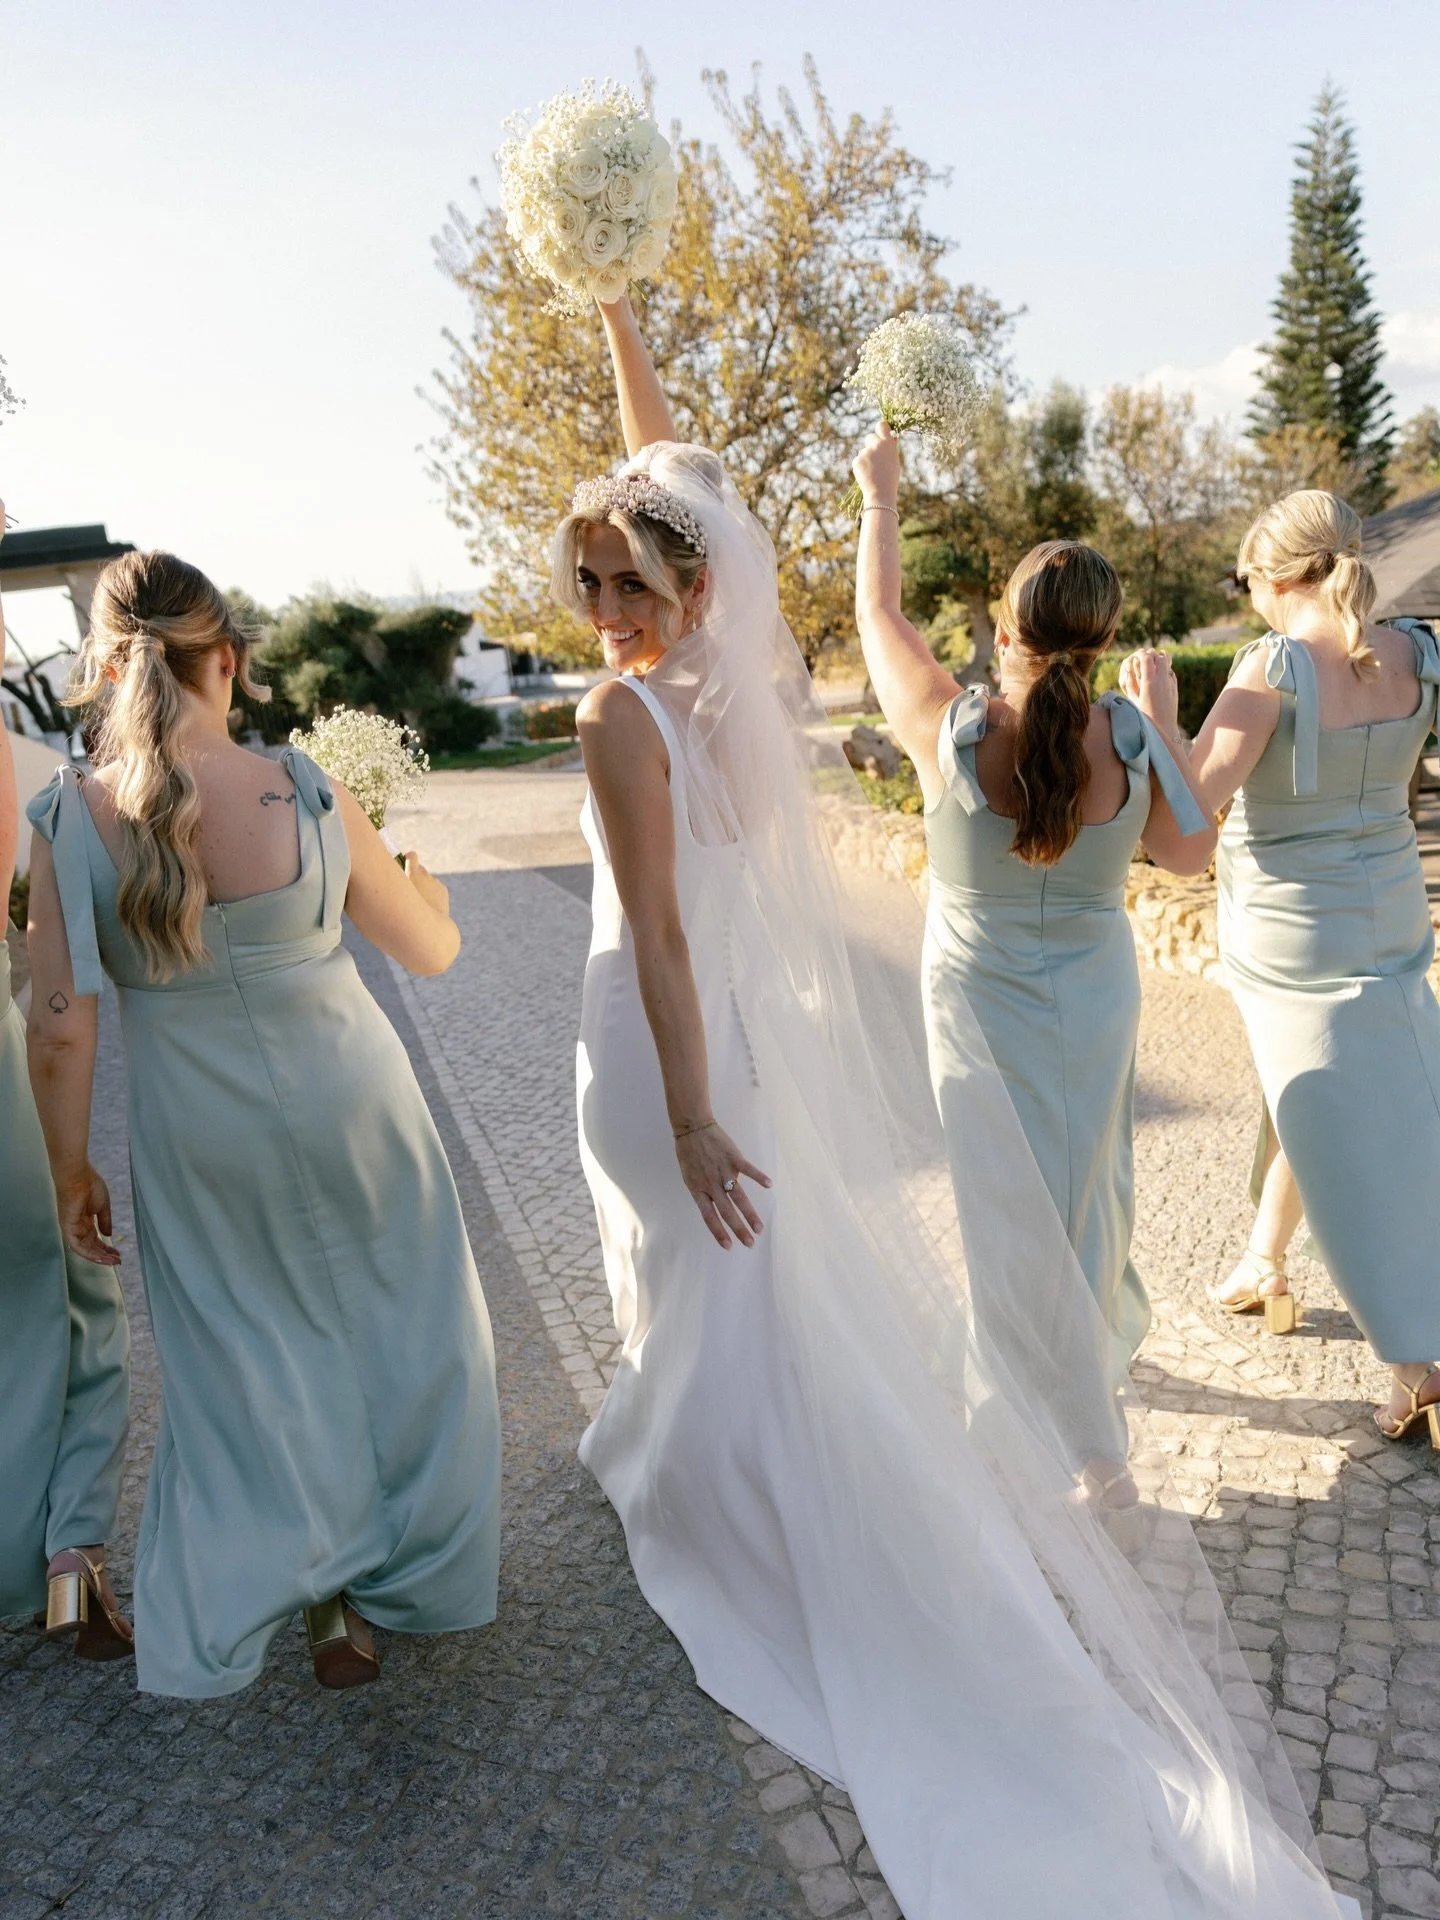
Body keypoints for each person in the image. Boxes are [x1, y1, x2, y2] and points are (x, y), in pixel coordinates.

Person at [559, 295, 1354, 1917]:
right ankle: (843, 1448)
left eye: (623, 581)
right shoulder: (746, 682)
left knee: (755, 1270)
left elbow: (655, 926)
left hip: (707, 1044)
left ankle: (732, 1489)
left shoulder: (658, 713)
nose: (596, 608)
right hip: (890, 1028)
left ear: (685, 582)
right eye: (585, 582)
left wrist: (698, 1115)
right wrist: (629, 324)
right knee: (840, 1271)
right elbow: (674, 485)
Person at [24, 551, 501, 1696]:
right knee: (402, 1334)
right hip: (355, 1105)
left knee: (243, 1362)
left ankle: (295, 1571)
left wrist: (68, 1167)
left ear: (98, 671)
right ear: (227, 659)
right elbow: (429, 949)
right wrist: (423, 884)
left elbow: (57, 1025)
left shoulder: (67, 816)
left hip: (198, 1137)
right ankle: (378, 1584)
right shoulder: (301, 783)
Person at [850, 425, 1216, 1478]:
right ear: (1105, 636)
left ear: (1007, 625)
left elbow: (880, 614)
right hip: (1097, 995)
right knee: (1089, 1194)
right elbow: (1190, 855)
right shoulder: (1134, 739)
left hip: (973, 996)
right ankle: (1089, 1427)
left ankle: (1014, 1428)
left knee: (1002, 1210)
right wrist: (1167, 720)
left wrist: (881, 496)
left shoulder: (950, 728)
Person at [1135, 487, 1440, 1444]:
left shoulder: (1270, 666)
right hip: (1392, 914)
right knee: (1335, 1096)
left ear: (1272, 579)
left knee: (1340, 1129)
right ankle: (1264, 1258)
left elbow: (1184, 840)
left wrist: (1155, 721)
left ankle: (1416, 1366)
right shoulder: (1421, 654)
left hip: (1292, 940)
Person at [0, 500, 131, 1656]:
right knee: (78, 1298)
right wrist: (69, 1157)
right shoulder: (17, 764)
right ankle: (68, 1558)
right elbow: (54, 1008)